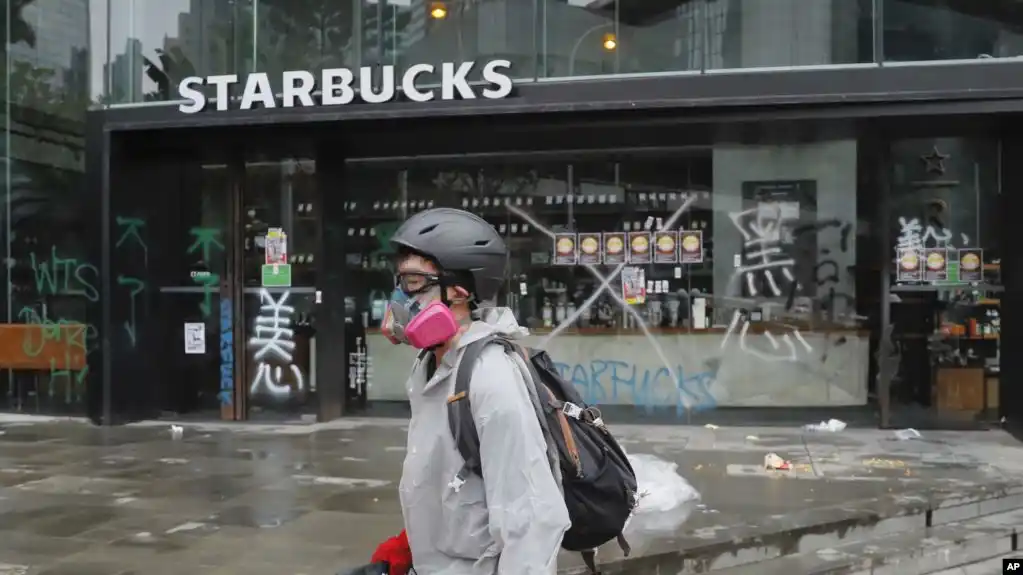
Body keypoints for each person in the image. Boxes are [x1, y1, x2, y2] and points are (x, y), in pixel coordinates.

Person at [372, 208, 571, 574]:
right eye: (400, 281)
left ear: (459, 292)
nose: (401, 297)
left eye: (414, 282)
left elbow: (531, 523)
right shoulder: (433, 364)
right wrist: (413, 547)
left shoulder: (489, 375)